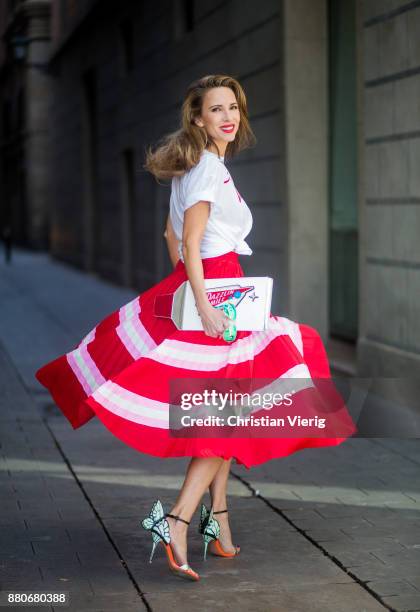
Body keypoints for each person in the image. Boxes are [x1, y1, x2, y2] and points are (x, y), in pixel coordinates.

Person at [35, 74, 357, 582]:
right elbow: (188, 236)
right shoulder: (207, 168)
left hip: (214, 289)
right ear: (198, 118)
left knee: (229, 407)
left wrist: (188, 286)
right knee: (242, 402)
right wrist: (204, 305)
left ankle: (218, 519)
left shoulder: (200, 166)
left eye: (234, 107)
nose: (229, 116)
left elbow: (171, 235)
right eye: (217, 109)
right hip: (219, 295)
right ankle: (179, 519)